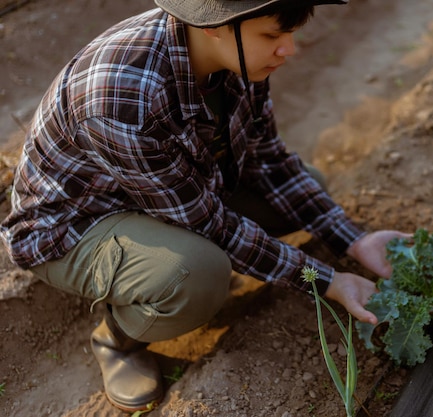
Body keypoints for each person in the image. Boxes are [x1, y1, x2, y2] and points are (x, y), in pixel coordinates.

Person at [0, 0, 409, 412]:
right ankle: (117, 339)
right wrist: (326, 281)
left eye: (289, 33)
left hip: (172, 193)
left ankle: (166, 263)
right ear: (215, 24)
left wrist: (355, 240)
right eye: (272, 36)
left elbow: (267, 158)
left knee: (307, 187)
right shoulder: (124, 97)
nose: (289, 49)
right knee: (198, 271)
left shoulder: (239, 59)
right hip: (75, 225)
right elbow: (208, 225)